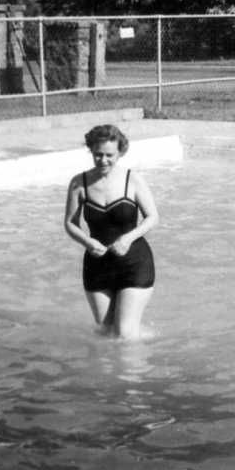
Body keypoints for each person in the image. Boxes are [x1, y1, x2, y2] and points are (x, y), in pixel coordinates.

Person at [64, 124, 159, 339]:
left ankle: (141, 357)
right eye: (98, 154)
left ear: (120, 153)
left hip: (134, 262)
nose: (103, 160)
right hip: (97, 264)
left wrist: (127, 238)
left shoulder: (132, 180)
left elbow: (153, 217)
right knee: (105, 331)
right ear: (91, 150)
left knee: (124, 333)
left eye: (109, 155)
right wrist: (87, 242)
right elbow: (70, 223)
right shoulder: (79, 183)